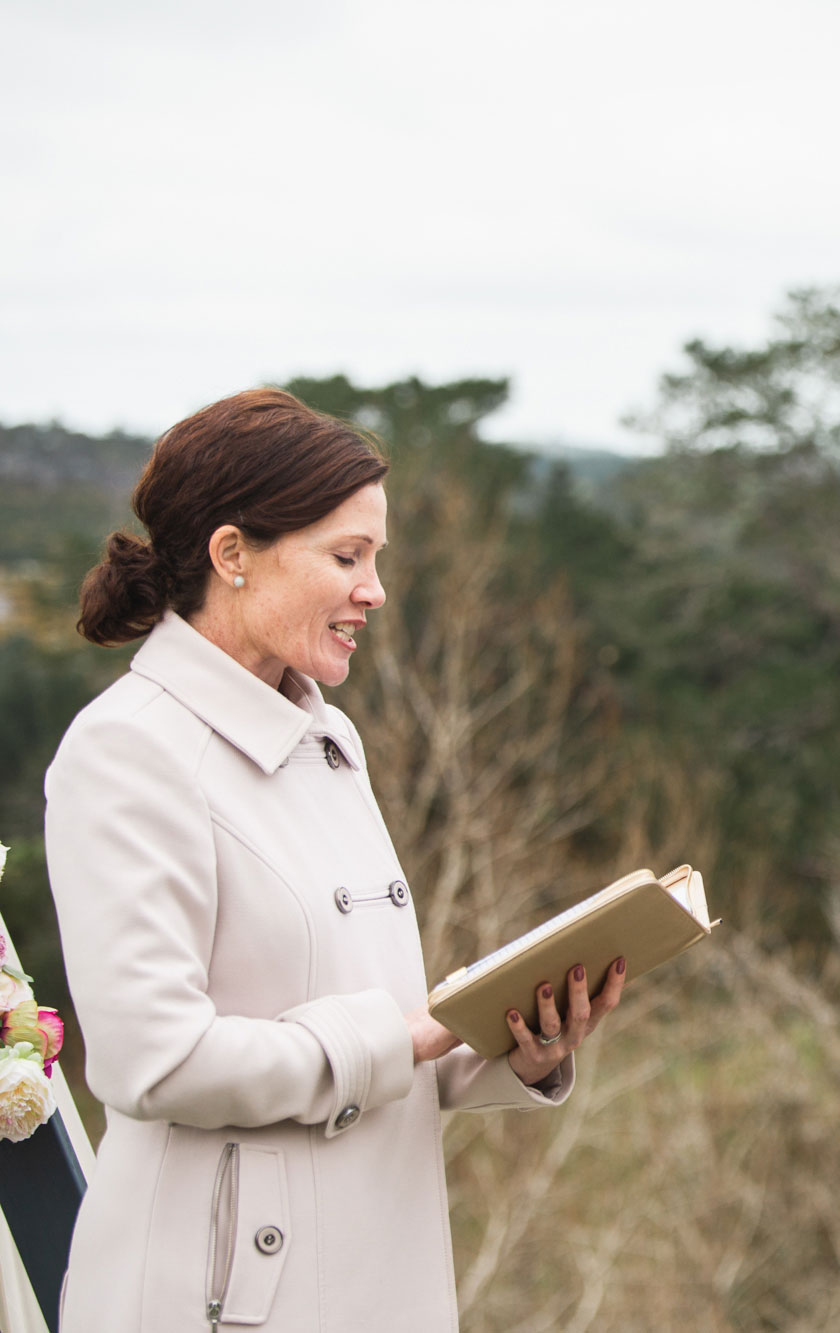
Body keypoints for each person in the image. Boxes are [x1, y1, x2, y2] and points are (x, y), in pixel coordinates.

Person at [43, 389, 622, 1332]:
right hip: (223, 1297)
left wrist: (515, 1043)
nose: (374, 590)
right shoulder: (128, 750)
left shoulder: (329, 735)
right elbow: (151, 1060)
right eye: (345, 556)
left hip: (382, 1274)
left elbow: (386, 1031)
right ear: (232, 554)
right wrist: (406, 1038)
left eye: (376, 559)